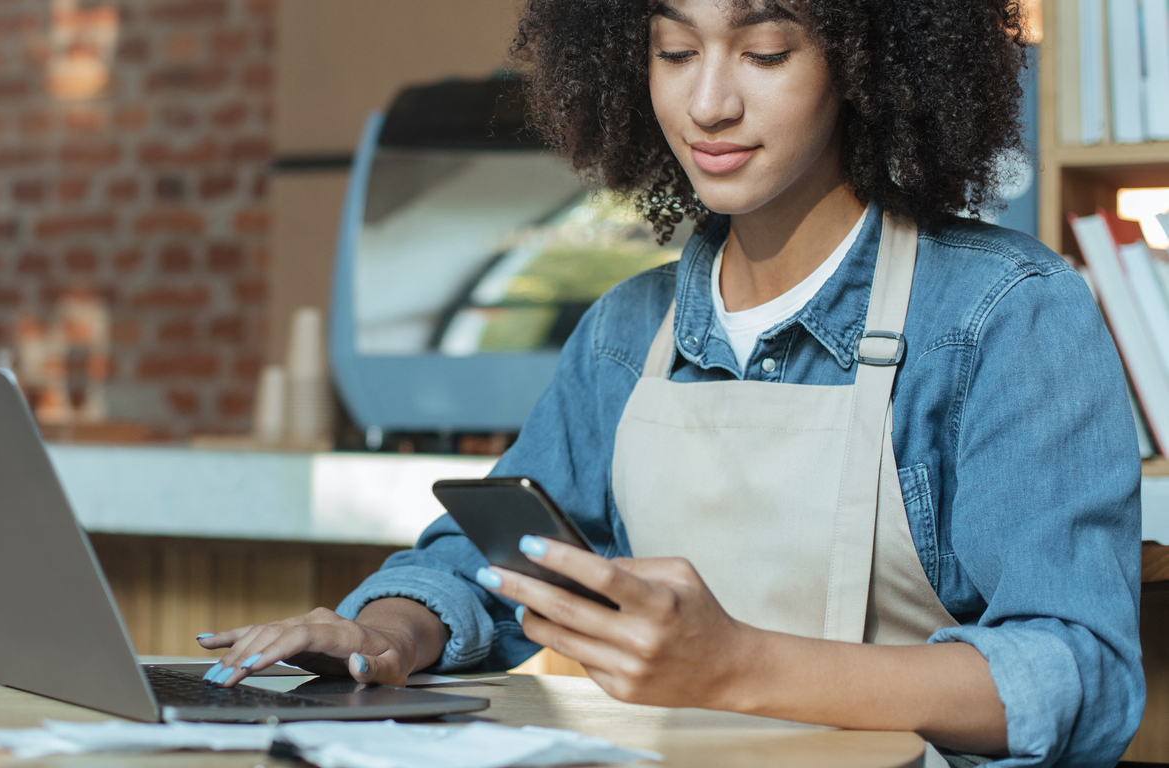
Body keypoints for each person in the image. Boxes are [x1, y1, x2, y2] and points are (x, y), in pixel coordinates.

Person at [197, 1, 1144, 765]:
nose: (708, 104)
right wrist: (388, 636)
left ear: (865, 62)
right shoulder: (626, 332)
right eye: (674, 49)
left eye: (765, 50)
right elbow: (486, 568)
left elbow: (1080, 675)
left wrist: (734, 667)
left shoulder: (1006, 316)